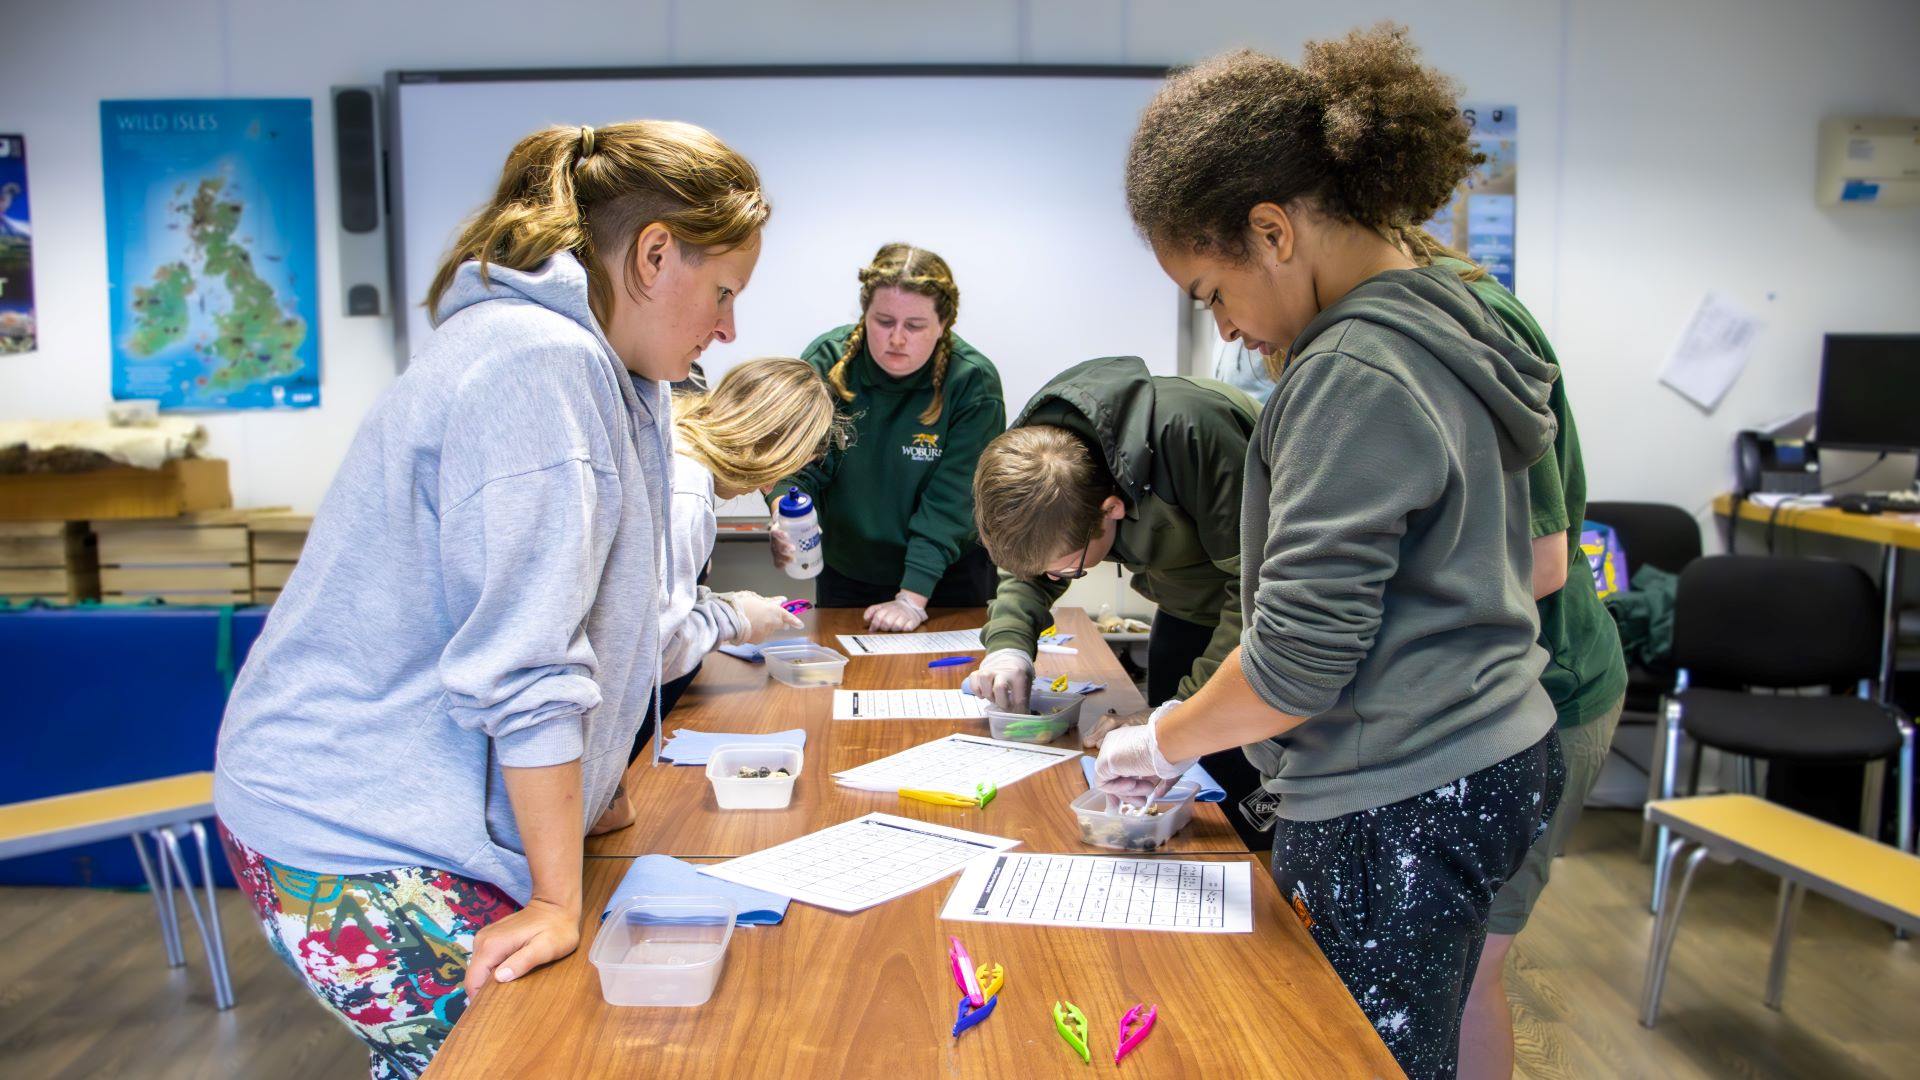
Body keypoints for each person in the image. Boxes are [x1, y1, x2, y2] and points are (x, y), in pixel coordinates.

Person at [212, 120, 767, 1078]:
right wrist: (556, 900)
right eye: (723, 293)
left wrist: (592, 795)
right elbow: (527, 660)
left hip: (390, 809)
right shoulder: (535, 366)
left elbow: (603, 616)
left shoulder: (600, 367)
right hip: (354, 829)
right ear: (652, 254)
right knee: (536, 1053)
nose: (728, 328)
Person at [1094, 27, 1565, 1077]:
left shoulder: (1354, 367)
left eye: (1212, 294)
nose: (1225, 331)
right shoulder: (1448, 314)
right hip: (1488, 751)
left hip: (1398, 785)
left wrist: (1162, 736)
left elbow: (1299, 666)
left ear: (1273, 232)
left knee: (1346, 1057)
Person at [965, 356, 1271, 847]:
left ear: (1111, 509)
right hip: (1182, 606)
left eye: (1067, 569)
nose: (1055, 580)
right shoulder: (1033, 454)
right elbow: (1032, 565)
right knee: (1172, 786)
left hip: (1254, 616)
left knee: (1239, 800)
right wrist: (1009, 645)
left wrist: (1168, 722)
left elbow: (1256, 598)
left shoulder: (1197, 436)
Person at [1450, 257, 1628, 1079]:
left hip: (1546, 699)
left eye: (1219, 296)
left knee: (1471, 972)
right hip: (1485, 702)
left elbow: (1543, 561)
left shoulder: (1474, 322)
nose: (1232, 328)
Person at [772, 243, 1006, 630]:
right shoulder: (828, 362)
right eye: (883, 321)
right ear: (864, 313)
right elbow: (799, 462)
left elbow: (952, 503)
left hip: (946, 578)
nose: (897, 338)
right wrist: (784, 512)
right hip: (848, 570)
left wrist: (911, 600)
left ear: (944, 324)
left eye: (914, 326)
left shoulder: (971, 382)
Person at [639, 357, 847, 759]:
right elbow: (651, 654)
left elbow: (651, 601)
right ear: (773, 445)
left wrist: (725, 605)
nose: (776, 482)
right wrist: (738, 619)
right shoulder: (688, 495)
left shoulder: (679, 452)